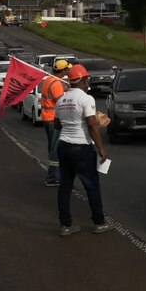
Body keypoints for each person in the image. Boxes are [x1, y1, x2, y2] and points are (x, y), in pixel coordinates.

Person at [54, 64, 113, 236]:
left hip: (63, 146)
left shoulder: (61, 99)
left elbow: (57, 124)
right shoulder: (87, 99)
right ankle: (99, 222)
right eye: (87, 79)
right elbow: (91, 125)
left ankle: (65, 225)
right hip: (81, 148)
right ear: (84, 80)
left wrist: (70, 122)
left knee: (65, 186)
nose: (88, 82)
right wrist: (101, 148)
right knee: (91, 186)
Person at [39, 59, 71, 186]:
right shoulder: (56, 83)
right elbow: (61, 102)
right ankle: (52, 177)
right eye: (67, 69)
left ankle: (55, 174)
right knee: (55, 149)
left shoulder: (48, 80)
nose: (68, 71)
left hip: (47, 119)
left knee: (52, 147)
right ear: (62, 70)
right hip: (53, 120)